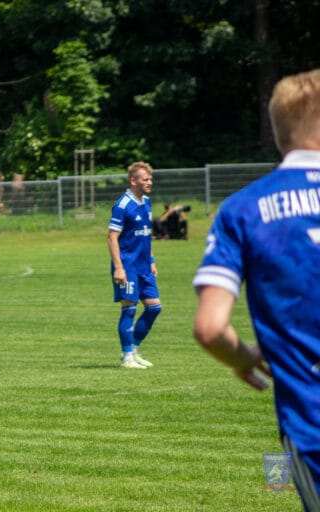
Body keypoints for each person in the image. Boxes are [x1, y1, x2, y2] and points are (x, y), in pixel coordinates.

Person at [192, 69, 320, 511]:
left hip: (310, 426)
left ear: (279, 132)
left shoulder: (242, 210)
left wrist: (243, 357)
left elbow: (210, 328)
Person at [107, 161, 162, 369]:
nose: (150, 182)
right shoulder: (122, 205)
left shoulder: (146, 202)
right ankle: (127, 357)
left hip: (144, 266)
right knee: (129, 309)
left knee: (154, 307)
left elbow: (146, 235)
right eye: (146, 179)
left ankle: (135, 349)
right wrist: (119, 267)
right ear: (133, 181)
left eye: (150, 179)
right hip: (127, 266)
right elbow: (112, 237)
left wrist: (152, 260)